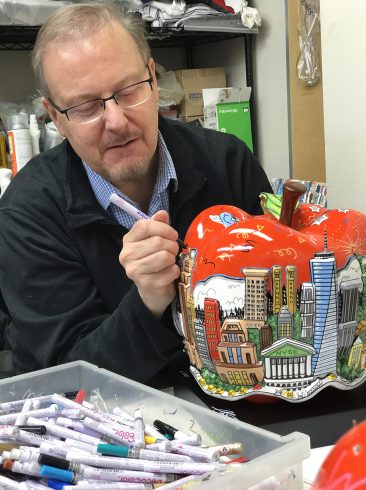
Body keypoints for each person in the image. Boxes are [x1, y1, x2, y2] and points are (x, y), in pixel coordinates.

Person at [0, 1, 273, 387]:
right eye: (86, 106)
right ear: (56, 117)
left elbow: (277, 307)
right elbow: (67, 379)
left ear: (152, 78)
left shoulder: (228, 164)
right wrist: (147, 300)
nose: (115, 121)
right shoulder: (27, 215)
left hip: (233, 398)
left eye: (128, 91)